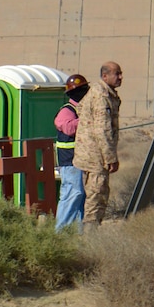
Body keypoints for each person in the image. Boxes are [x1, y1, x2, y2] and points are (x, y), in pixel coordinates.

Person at [73, 62, 123, 228]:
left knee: (95, 195)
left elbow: (81, 110)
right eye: (117, 74)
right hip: (95, 157)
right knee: (96, 196)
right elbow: (102, 130)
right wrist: (110, 157)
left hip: (89, 154)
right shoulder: (101, 96)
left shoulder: (97, 92)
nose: (120, 77)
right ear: (105, 76)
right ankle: (90, 238)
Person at [54, 74, 90, 230]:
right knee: (72, 194)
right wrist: (88, 120)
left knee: (80, 196)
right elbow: (67, 127)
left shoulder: (82, 110)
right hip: (70, 162)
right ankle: (61, 233)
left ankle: (77, 232)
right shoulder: (68, 111)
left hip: (80, 161)